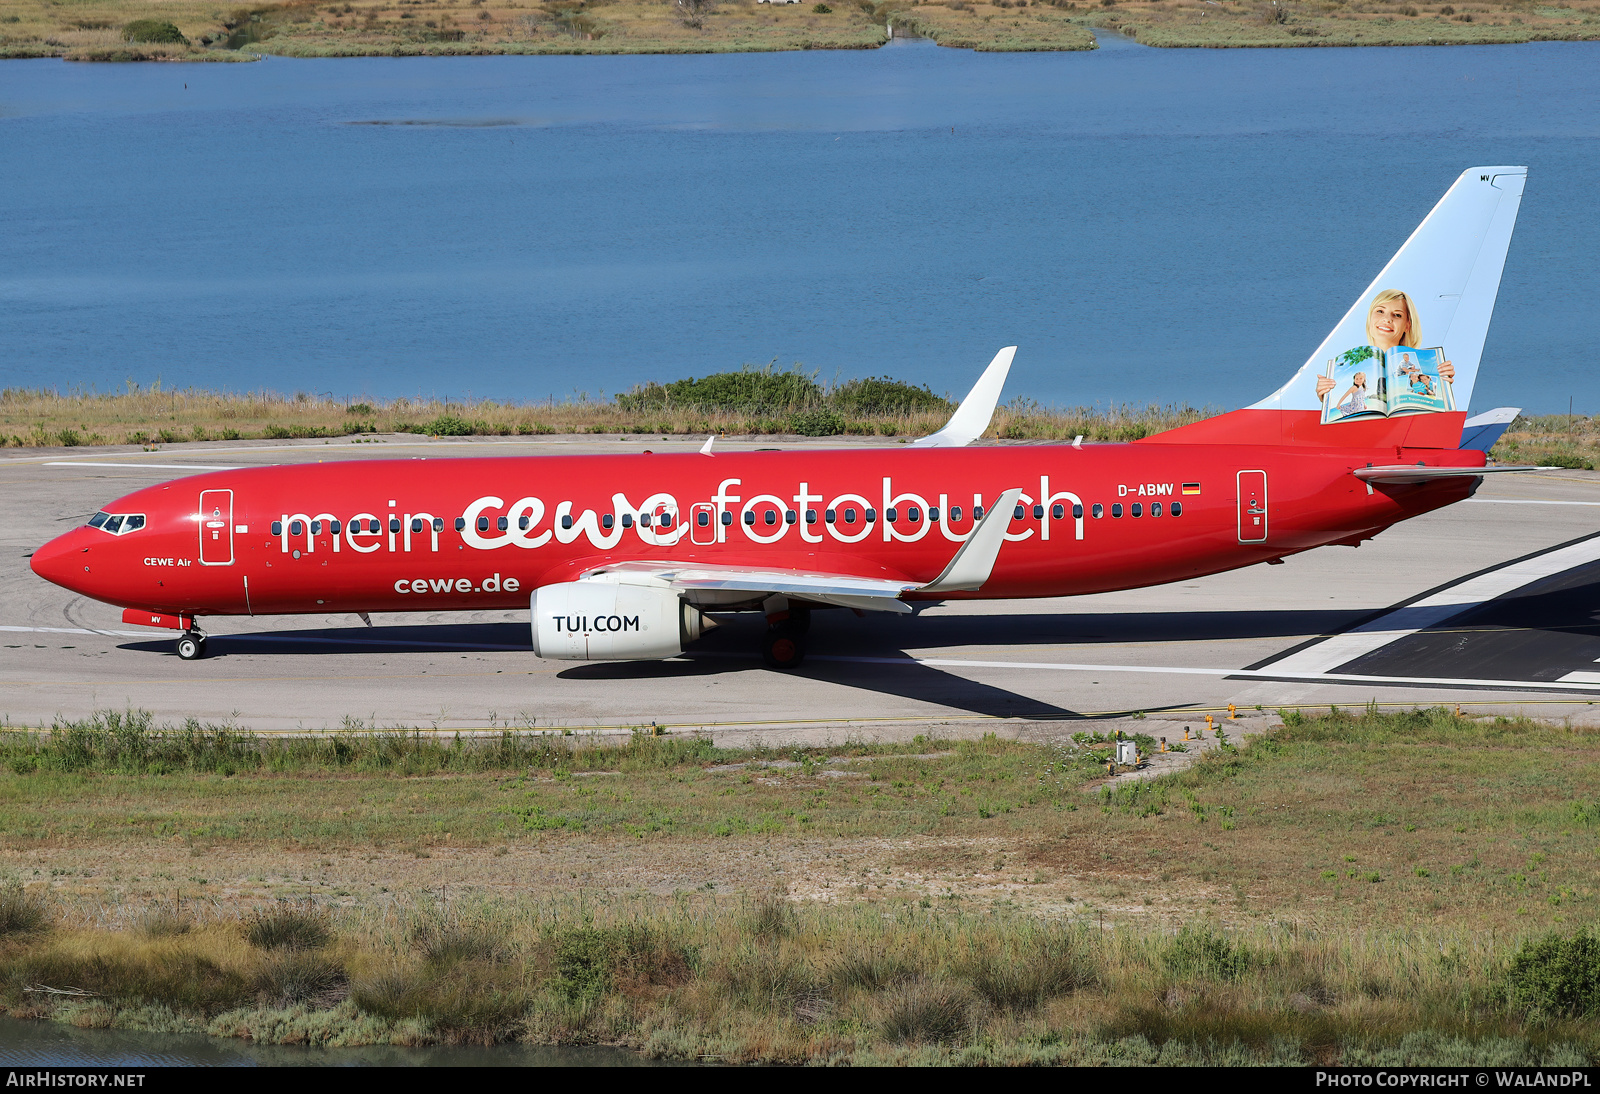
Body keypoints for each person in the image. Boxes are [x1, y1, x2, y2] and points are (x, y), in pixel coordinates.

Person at [1316, 289, 1454, 402]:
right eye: (1380, 311)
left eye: (1397, 315)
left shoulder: (1427, 366)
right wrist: (1327, 397)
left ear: (1407, 325)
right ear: (1370, 318)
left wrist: (1443, 387)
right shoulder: (1346, 367)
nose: (1387, 319)